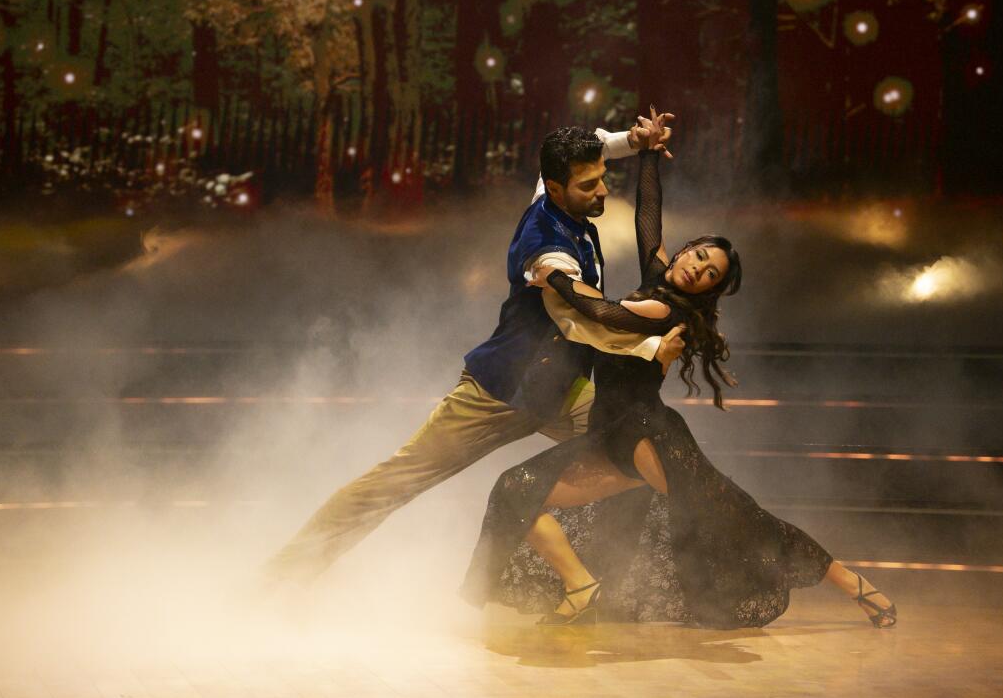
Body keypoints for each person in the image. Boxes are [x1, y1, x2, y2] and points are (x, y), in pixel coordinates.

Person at [460, 109, 896, 629]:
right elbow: (648, 222)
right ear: (687, 251)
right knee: (516, 488)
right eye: (698, 256)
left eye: (709, 273)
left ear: (708, 288)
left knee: (735, 516)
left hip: (648, 434)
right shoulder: (658, 279)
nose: (696, 268)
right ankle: (582, 586)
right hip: (607, 434)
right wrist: (648, 155)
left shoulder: (669, 311)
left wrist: (550, 274)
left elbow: (602, 312)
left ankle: (851, 582)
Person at [262, 122, 686, 586]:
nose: (603, 190)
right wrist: (650, 345)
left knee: (643, 444)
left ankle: (628, 581)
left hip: (560, 390)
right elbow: (587, 321)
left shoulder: (554, 187)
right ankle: (280, 578)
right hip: (499, 392)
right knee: (397, 480)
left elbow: (594, 146)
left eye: (603, 178)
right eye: (589, 185)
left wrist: (634, 142)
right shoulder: (548, 252)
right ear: (558, 188)